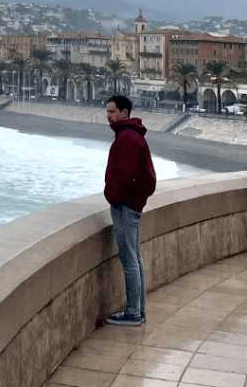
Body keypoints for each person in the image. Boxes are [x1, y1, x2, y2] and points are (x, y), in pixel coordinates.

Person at [103, 94, 157, 327]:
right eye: (107, 111)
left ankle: (133, 313)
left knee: (129, 259)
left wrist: (112, 196)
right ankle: (139, 309)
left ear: (124, 113)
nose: (108, 115)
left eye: (112, 111)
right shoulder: (132, 135)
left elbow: (124, 174)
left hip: (126, 204)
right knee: (135, 257)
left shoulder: (127, 138)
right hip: (132, 203)